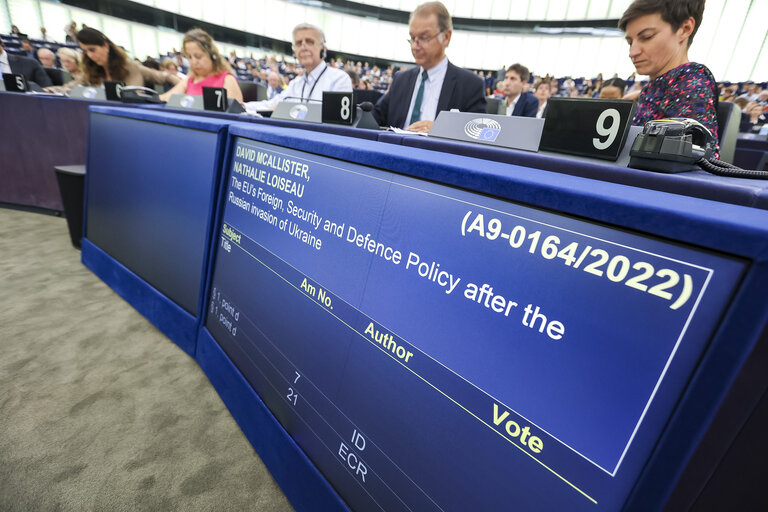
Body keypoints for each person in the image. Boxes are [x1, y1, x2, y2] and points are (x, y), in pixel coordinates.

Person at [372, 1, 485, 132]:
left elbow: (478, 133)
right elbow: (375, 118)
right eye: (412, 38)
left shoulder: (470, 85)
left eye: (424, 38)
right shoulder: (401, 79)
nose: (415, 46)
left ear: (446, 37)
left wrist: (440, 130)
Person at [620, 0, 719, 145]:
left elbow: (696, 157)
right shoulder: (653, 88)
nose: (632, 52)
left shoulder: (691, 79)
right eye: (630, 42)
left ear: (685, 29)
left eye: (647, 37)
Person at [244, 23, 351, 112]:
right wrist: (243, 106)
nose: (303, 47)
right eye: (298, 43)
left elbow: (335, 118)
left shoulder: (339, 79)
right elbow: (271, 104)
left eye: (309, 41)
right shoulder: (295, 84)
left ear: (323, 48)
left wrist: (283, 109)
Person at [73, 27, 179, 92]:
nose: (90, 55)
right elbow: (71, 87)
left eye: (92, 50)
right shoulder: (89, 72)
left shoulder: (131, 67)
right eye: (86, 51)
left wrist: (181, 90)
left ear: (106, 46)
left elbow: (166, 77)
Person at [159, 28, 242, 103]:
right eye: (189, 57)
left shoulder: (227, 80)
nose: (194, 62)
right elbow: (165, 98)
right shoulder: (190, 80)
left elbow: (236, 116)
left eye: (198, 56)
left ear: (212, 55)